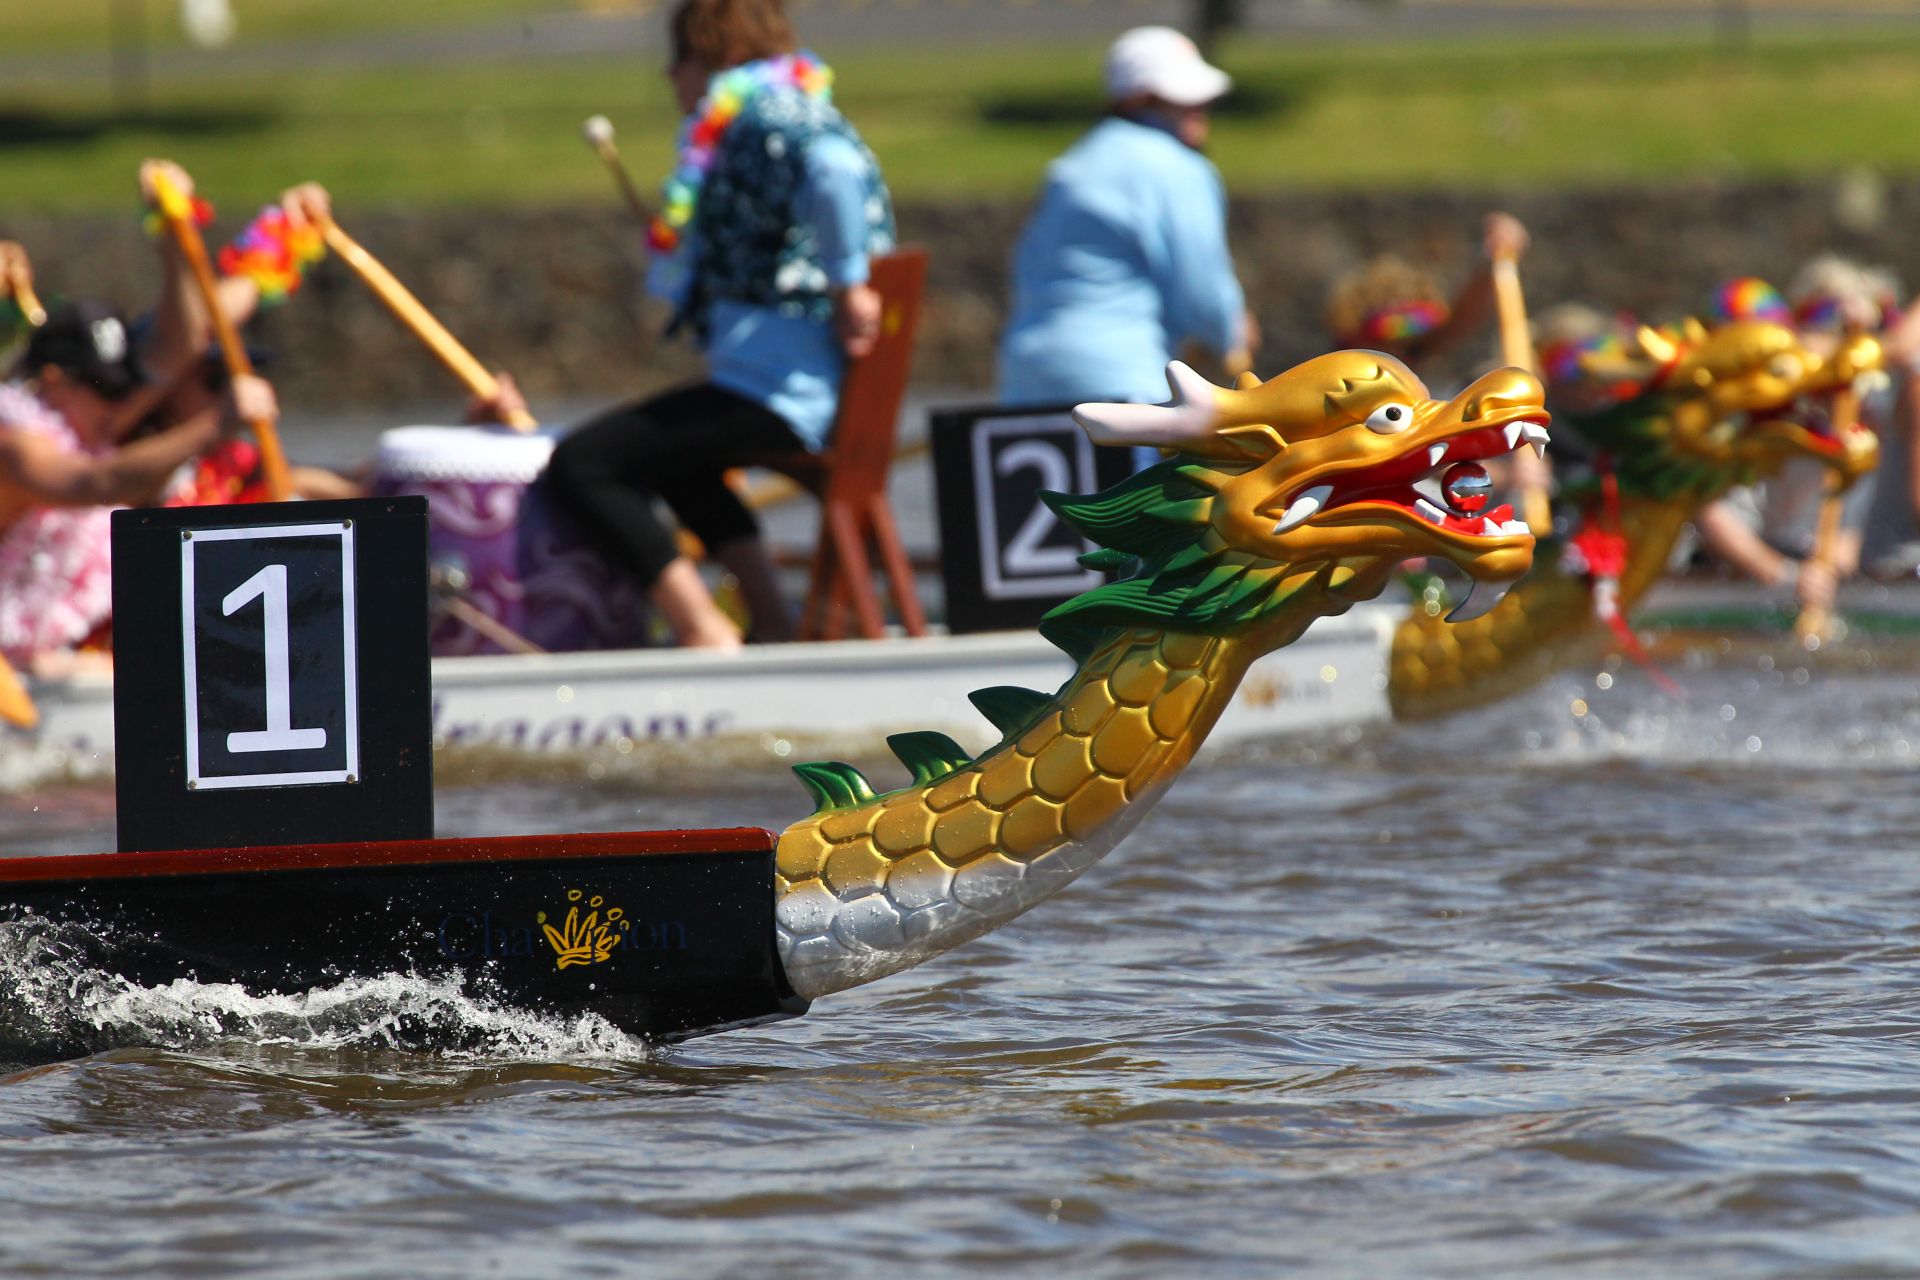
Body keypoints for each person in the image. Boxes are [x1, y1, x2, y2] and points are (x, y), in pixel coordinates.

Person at [543, 0, 893, 649]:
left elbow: (834, 170)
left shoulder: (766, 113)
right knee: (679, 464)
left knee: (585, 463)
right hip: (784, 380)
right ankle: (774, 620)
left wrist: (848, 285)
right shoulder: (778, 107)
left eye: (676, 59)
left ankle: (702, 627)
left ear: (708, 53)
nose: (671, 76)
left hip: (783, 389)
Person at [997, 25, 1254, 427]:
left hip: (1026, 379)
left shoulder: (1072, 164)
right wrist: (1232, 336)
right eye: (1184, 99)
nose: (1200, 107)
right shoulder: (1179, 168)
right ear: (1141, 101)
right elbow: (1202, 288)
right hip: (1121, 383)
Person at [0, 299, 275, 666]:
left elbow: (184, 341)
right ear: (53, 381)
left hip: (54, 662)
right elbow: (96, 483)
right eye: (109, 390)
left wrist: (178, 244)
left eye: (127, 389)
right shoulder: (13, 449)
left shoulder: (89, 433)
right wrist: (214, 424)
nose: (123, 406)